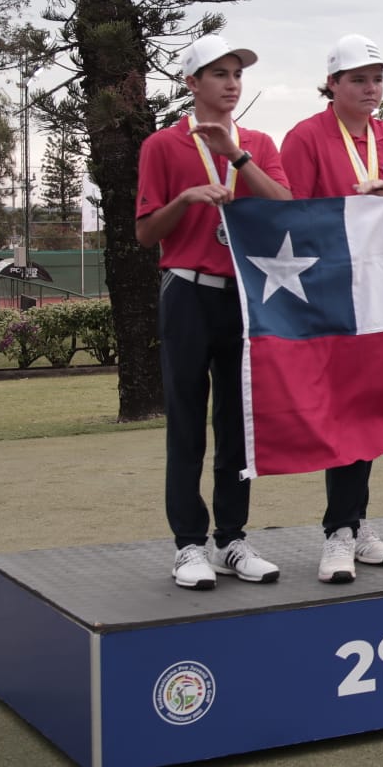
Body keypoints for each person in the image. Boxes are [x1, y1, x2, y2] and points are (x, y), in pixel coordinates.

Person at [135, 34, 291, 590]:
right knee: (186, 421)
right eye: (219, 74)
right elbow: (145, 232)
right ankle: (187, 546)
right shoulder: (162, 145)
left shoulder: (257, 142)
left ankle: (232, 539)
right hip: (186, 290)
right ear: (191, 83)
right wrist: (186, 199)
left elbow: (284, 208)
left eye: (236, 74)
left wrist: (236, 158)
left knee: (237, 425)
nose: (231, 83)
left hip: (244, 295)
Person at [280, 33, 383, 582]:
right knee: (342, 412)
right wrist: (355, 206)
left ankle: (355, 523)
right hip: (329, 293)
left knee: (369, 410)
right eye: (359, 79)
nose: (371, 89)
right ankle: (338, 533)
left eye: (377, 79)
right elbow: (288, 217)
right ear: (333, 84)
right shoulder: (304, 137)